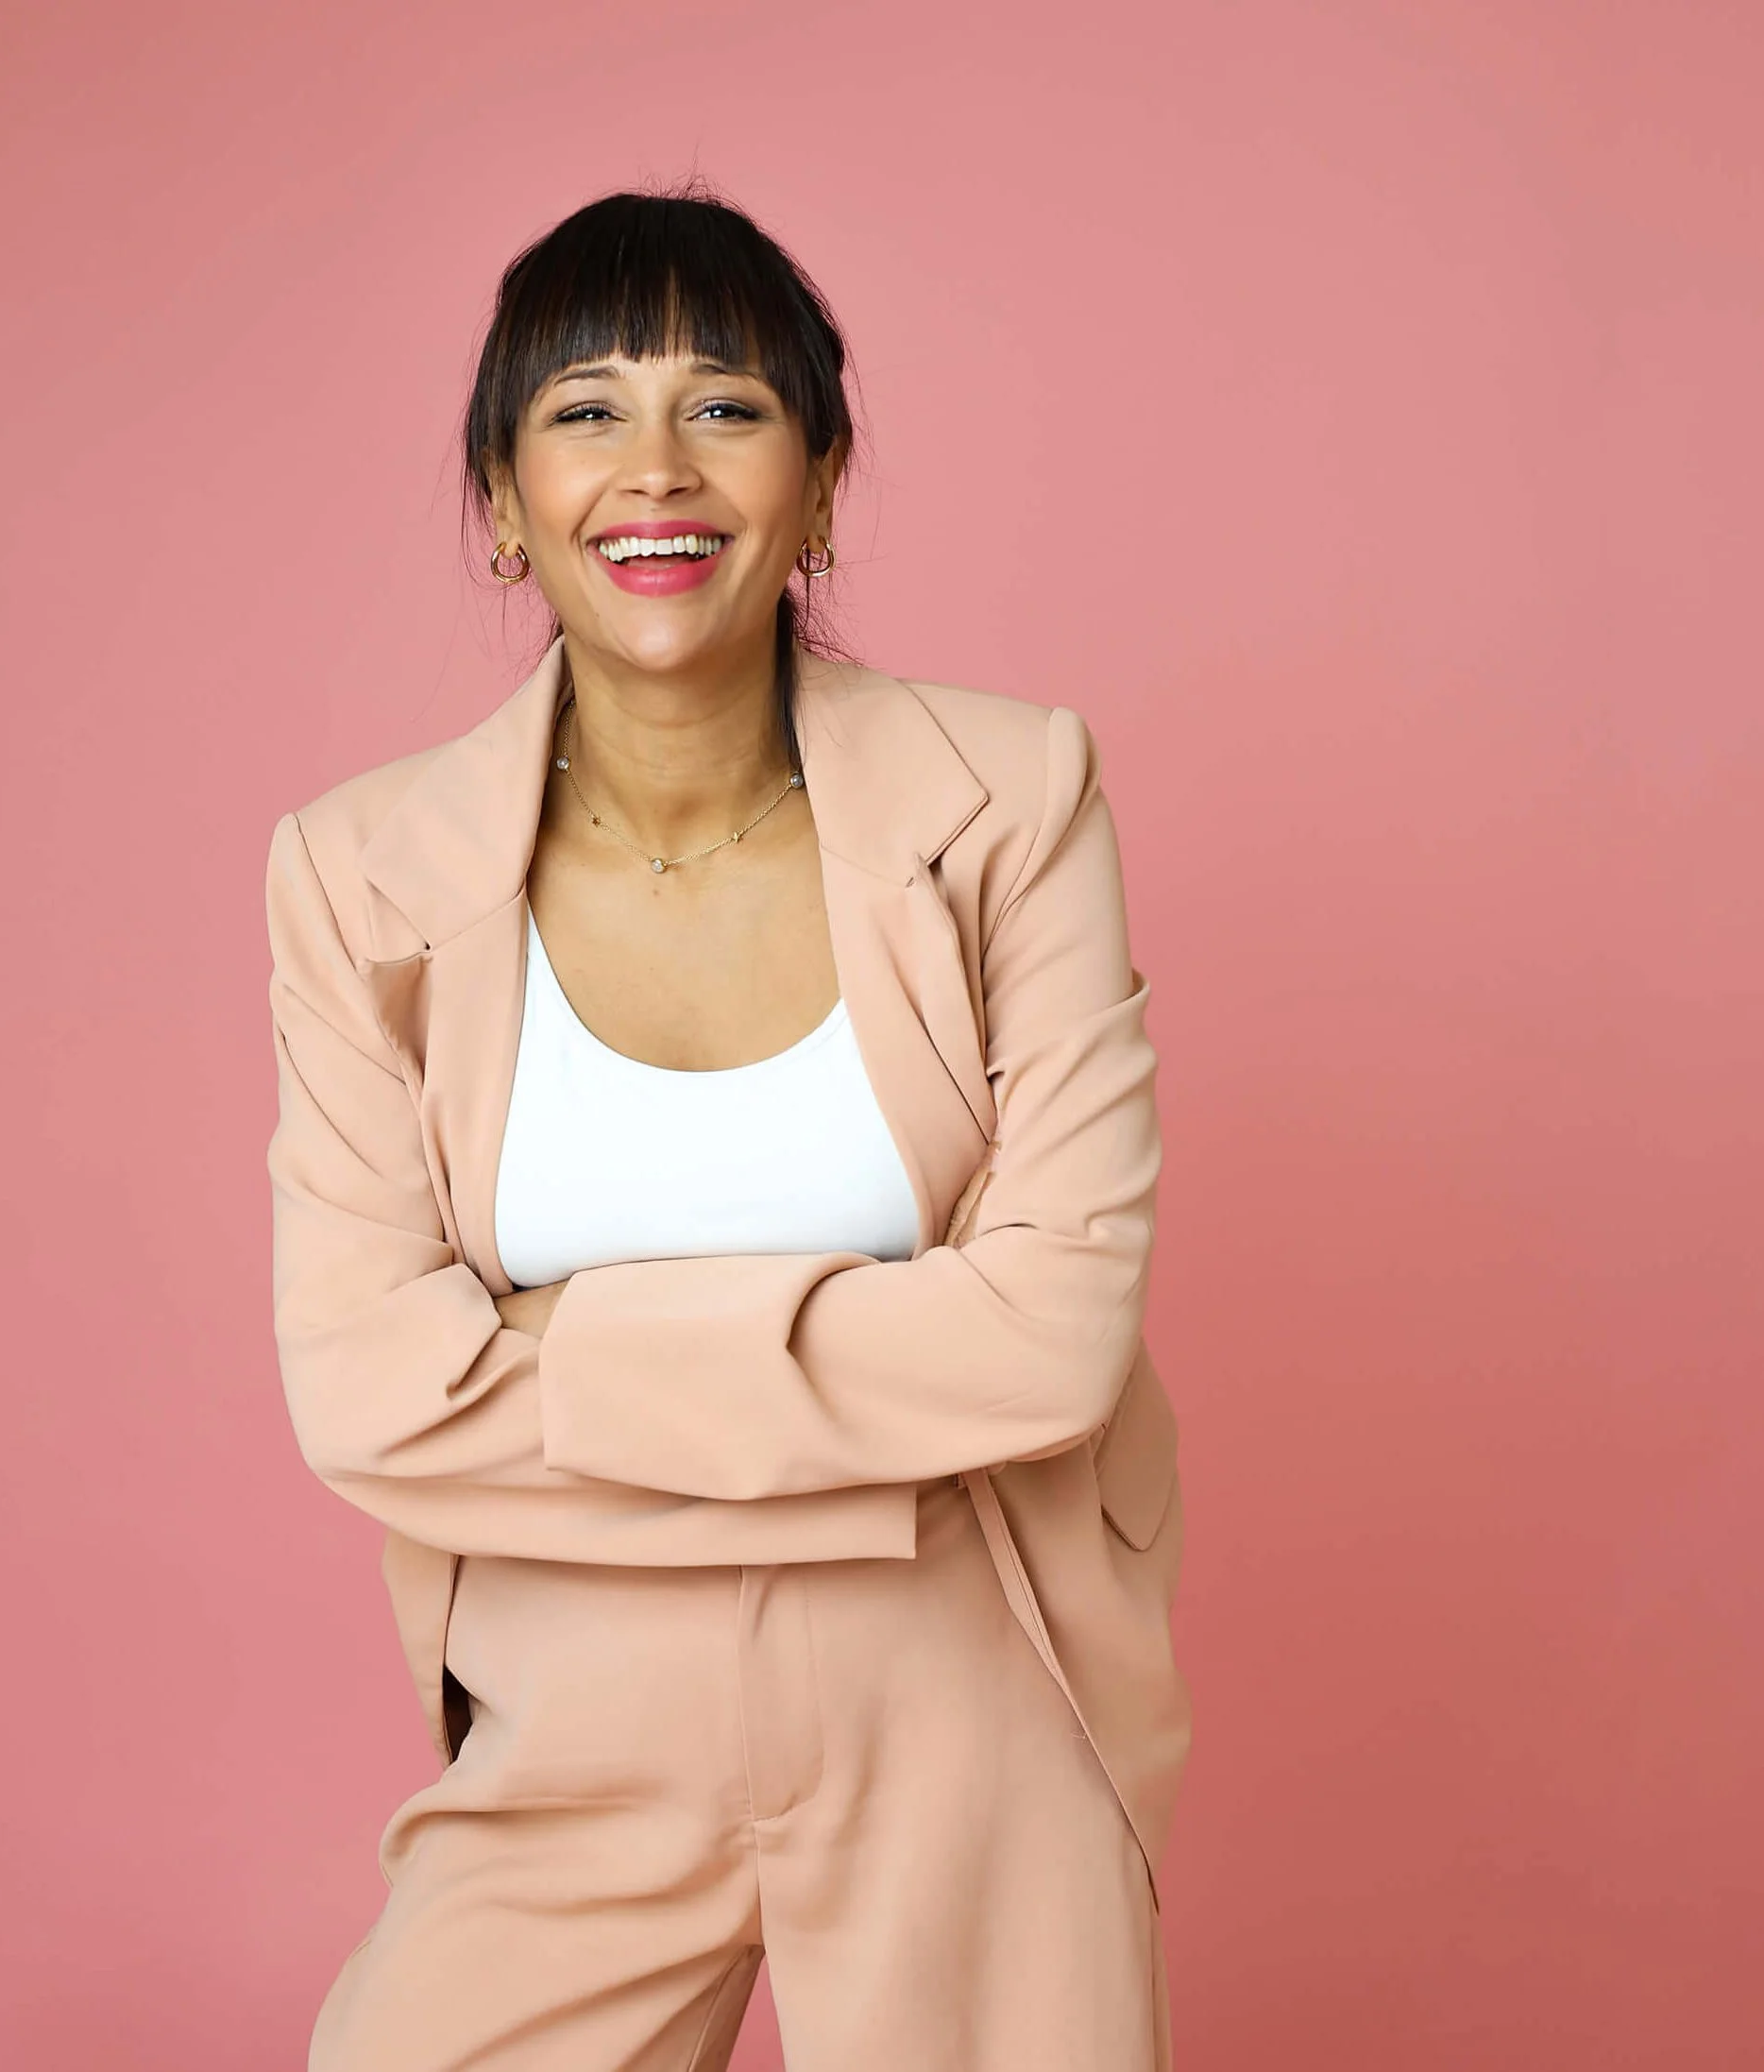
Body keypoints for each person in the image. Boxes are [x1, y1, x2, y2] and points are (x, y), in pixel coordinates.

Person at [263, 183, 1190, 2072]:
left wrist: (541, 1342)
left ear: (822, 481)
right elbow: (363, 1384)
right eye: (584, 411)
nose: (654, 465)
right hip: (569, 1695)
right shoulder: (358, 872)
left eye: (727, 404)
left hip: (969, 1673)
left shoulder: (1007, 797)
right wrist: (871, 1353)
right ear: (504, 504)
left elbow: (1054, 1334)